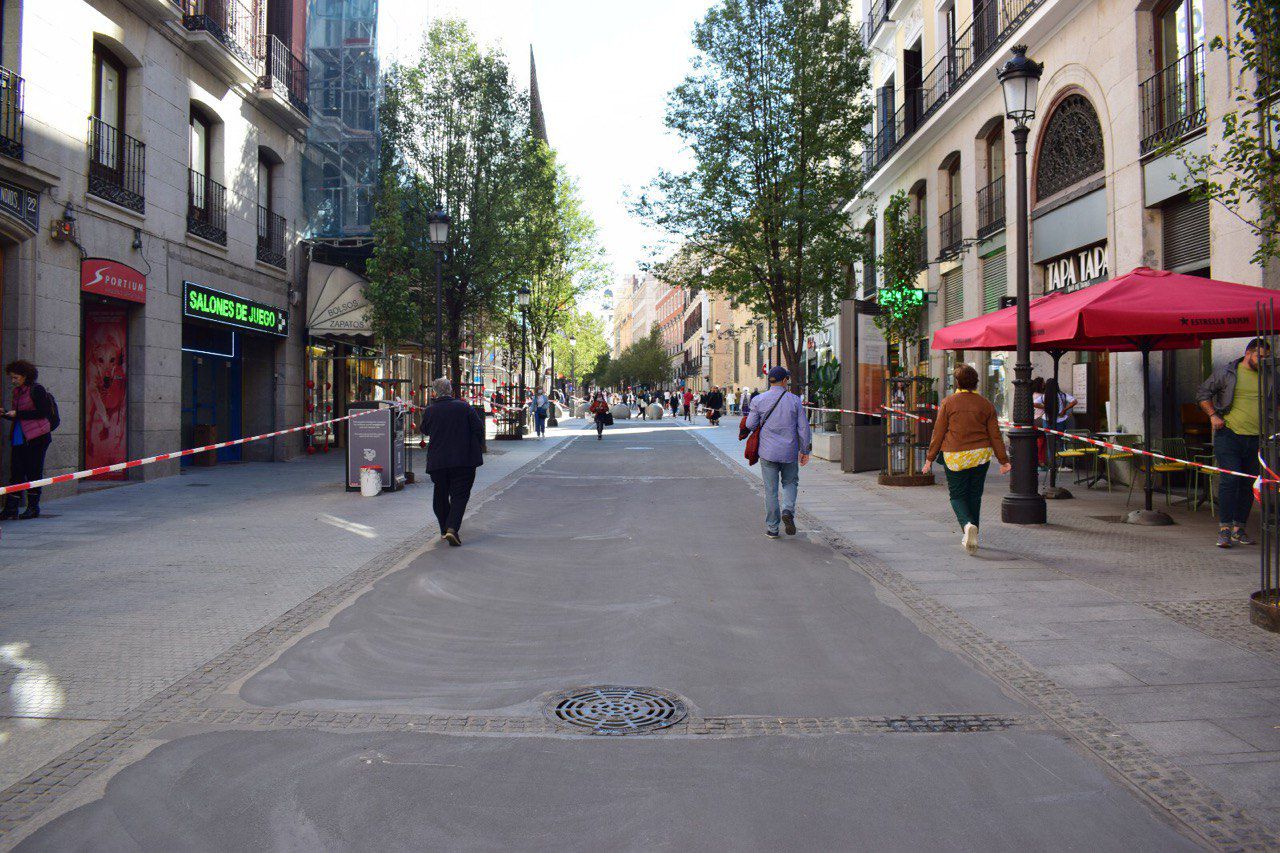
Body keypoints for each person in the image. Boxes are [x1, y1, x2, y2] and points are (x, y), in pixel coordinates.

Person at [923, 363, 1011, 555]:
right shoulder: (986, 404)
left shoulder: (948, 402)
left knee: (957, 496)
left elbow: (938, 432)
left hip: (955, 456)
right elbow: (995, 435)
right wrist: (1003, 460)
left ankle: (967, 525)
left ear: (957, 382)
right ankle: (974, 533)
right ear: (976, 383)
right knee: (974, 495)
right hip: (980, 455)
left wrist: (930, 458)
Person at [1198, 337, 1272, 548]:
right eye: (1260, 356)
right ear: (1248, 353)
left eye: (1266, 358)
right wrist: (1213, 415)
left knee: (1248, 483)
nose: (1263, 361)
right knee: (1229, 481)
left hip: (1257, 438)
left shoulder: (1270, 376)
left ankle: (1239, 528)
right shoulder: (1228, 373)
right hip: (1229, 435)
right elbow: (1203, 393)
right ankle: (1224, 529)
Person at [745, 366, 811, 539]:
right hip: (789, 452)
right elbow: (803, 428)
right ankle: (788, 510)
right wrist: (804, 450)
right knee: (790, 483)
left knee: (771, 490)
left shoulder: (758, 400)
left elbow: (750, 425)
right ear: (784, 381)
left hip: (767, 452)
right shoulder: (795, 400)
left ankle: (772, 529)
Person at [418, 377, 484, 546]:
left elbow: (424, 429)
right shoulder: (464, 407)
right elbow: (478, 428)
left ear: (434, 392)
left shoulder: (431, 410)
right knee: (459, 496)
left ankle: (444, 529)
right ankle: (452, 529)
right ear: (451, 391)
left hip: (439, 462)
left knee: (440, 495)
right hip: (464, 460)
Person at [1, 360, 55, 521]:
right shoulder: (18, 391)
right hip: (20, 436)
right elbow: (20, 415)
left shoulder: (36, 390)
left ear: (25, 376)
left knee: (33, 471)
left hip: (37, 438)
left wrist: (17, 414)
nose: (13, 381)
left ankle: (33, 507)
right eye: (11, 378)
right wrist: (6, 414)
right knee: (16, 472)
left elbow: (42, 412)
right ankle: (11, 508)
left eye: (16, 377)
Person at [1031, 377, 1076, 466]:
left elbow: (1034, 403)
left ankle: (1052, 464)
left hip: (1047, 421)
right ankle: (1062, 464)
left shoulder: (1044, 396)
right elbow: (1074, 401)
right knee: (1061, 443)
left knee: (1050, 444)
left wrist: (1045, 407)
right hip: (1060, 421)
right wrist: (1064, 410)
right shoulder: (1062, 395)